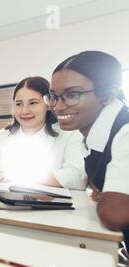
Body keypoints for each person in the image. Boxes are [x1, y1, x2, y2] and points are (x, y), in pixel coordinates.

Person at [46, 51, 129, 244]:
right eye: (53, 96)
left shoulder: (125, 131)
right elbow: (98, 190)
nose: (57, 107)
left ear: (108, 94)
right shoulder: (91, 134)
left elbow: (114, 213)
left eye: (72, 95)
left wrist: (109, 198)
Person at [0, 76, 86, 189]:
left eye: (33, 103)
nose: (24, 111)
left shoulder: (68, 134)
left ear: (48, 103)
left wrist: (24, 176)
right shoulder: (3, 136)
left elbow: (79, 176)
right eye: (19, 104)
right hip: (5, 204)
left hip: (54, 207)